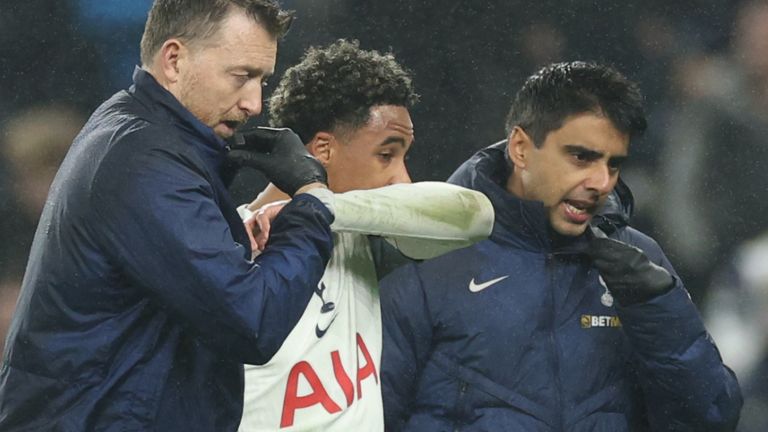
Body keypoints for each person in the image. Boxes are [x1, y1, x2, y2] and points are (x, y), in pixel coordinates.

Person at [0, 1, 336, 431]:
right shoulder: (145, 161)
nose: (255, 103)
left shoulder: (131, 125)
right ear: (174, 60)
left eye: (263, 80)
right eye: (241, 76)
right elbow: (253, 322)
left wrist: (235, 232)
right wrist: (311, 202)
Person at [379, 61, 743, 431]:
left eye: (613, 164)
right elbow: (374, 415)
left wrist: (659, 311)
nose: (601, 182)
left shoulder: (640, 263)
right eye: (581, 157)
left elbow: (711, 419)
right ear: (521, 148)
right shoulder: (430, 253)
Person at [235, 40, 494, 431]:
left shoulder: (359, 236)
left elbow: (476, 216)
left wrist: (321, 208)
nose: (402, 179)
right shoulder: (232, 244)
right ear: (323, 149)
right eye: (386, 155)